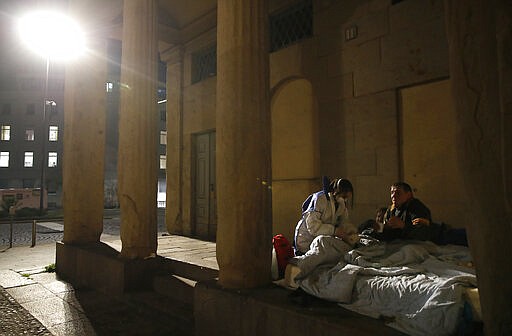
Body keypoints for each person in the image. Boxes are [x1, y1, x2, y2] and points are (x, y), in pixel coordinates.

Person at [293, 177, 355, 255]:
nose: (345, 200)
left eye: (347, 198)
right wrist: (335, 231)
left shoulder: (340, 203)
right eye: (344, 196)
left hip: (320, 243)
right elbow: (313, 227)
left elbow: (344, 222)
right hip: (306, 241)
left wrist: (349, 231)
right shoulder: (319, 199)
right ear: (336, 191)